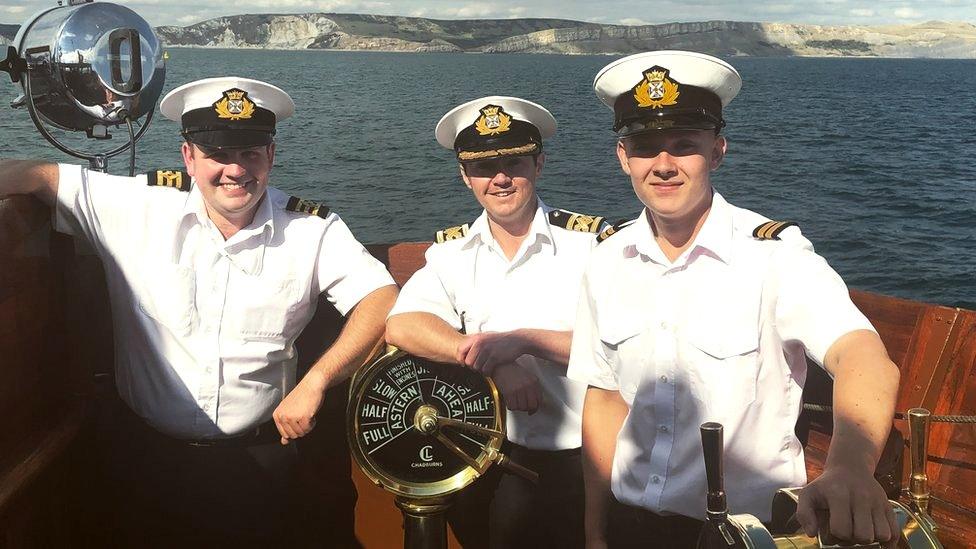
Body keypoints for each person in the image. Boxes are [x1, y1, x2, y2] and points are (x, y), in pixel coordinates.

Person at [0, 76, 398, 546]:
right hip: (147, 460)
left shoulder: (312, 230)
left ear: (271, 155)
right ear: (188, 156)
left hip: (262, 462)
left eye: (250, 153)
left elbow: (381, 298)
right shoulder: (136, 207)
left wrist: (316, 381)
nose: (235, 170)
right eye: (217, 154)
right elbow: (36, 175)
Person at [566, 51, 901, 548]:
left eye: (684, 145)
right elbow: (606, 399)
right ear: (623, 158)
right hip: (630, 526)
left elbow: (863, 356)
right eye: (644, 146)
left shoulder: (774, 257)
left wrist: (850, 468)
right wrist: (595, 532)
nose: (663, 165)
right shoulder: (606, 261)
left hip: (747, 534)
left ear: (718, 150)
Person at [385, 96, 605, 548]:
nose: (500, 178)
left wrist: (525, 343)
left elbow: (623, 347)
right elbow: (403, 324)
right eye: (484, 168)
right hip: (489, 461)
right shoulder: (451, 254)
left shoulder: (592, 247)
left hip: (585, 464)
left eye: (514, 163)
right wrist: (492, 361)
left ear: (539, 164)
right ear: (466, 177)